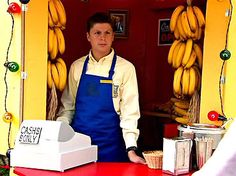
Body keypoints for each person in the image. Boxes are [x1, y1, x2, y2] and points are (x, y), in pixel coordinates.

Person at [57, 12, 145, 164]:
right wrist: (59, 134)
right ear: (88, 36)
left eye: (107, 33)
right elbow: (68, 106)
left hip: (111, 147)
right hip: (79, 145)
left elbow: (129, 112)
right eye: (97, 33)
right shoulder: (76, 67)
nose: (102, 38)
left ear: (113, 37)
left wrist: (131, 149)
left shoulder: (126, 68)